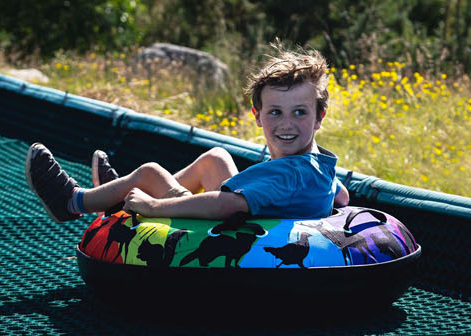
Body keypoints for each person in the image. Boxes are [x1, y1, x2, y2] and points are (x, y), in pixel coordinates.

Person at [25, 46, 349, 224]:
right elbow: (342, 197)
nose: (287, 124)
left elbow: (225, 207)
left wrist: (152, 206)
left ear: (319, 116)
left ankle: (73, 202)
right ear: (258, 116)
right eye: (275, 112)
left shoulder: (288, 174)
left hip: (232, 228)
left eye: (299, 112)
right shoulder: (317, 166)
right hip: (260, 212)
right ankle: (117, 197)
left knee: (150, 173)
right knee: (216, 157)